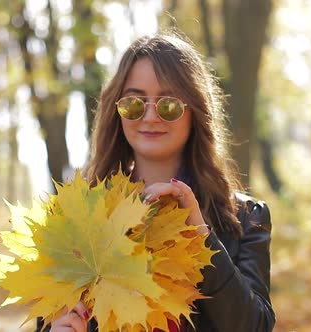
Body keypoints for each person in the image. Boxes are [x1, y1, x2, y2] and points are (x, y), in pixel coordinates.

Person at [42, 30, 275, 332]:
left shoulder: (246, 219)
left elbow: (254, 327)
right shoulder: (76, 219)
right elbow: (47, 317)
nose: (150, 116)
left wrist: (201, 236)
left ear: (195, 112)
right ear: (118, 113)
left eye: (169, 104)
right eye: (134, 104)